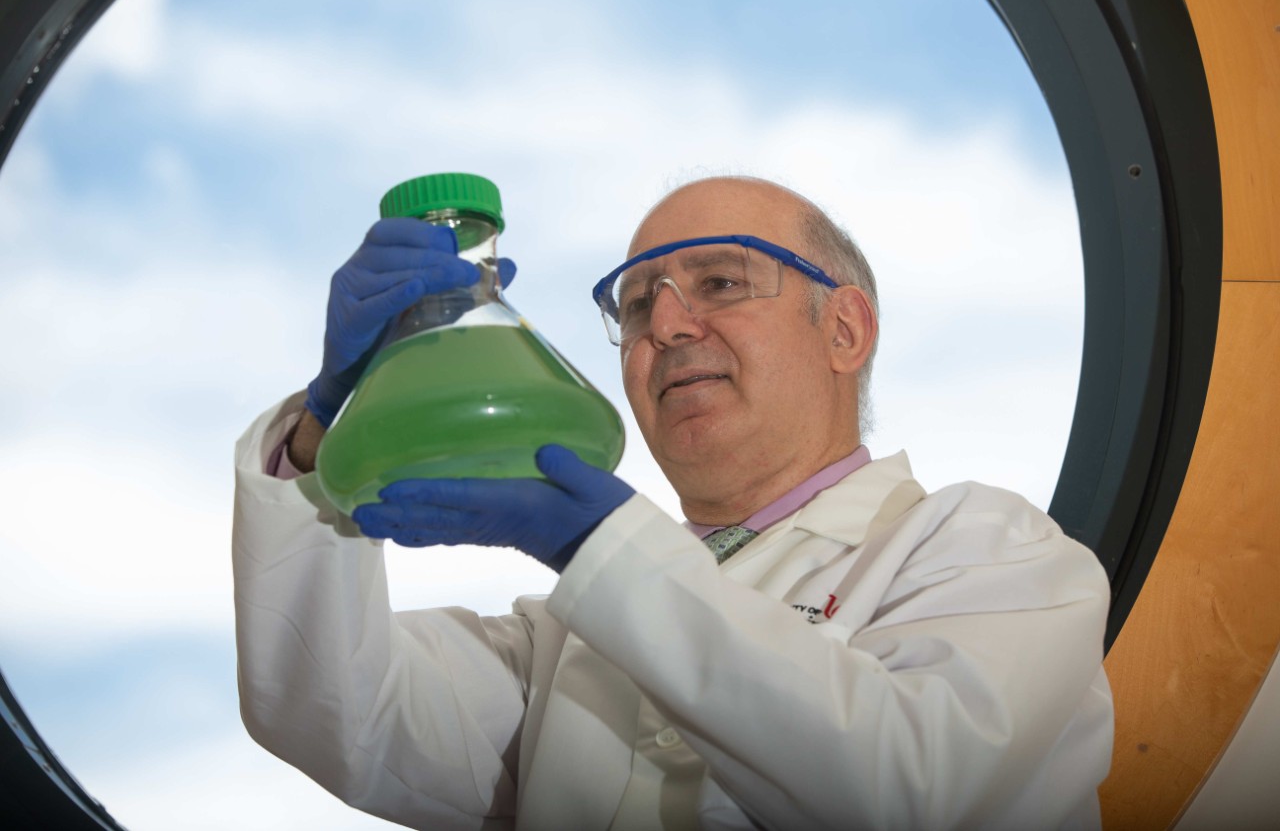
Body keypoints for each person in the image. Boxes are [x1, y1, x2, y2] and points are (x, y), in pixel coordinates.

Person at [233, 176, 1114, 830]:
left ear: (844, 328)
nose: (666, 324)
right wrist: (325, 422)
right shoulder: (563, 642)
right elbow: (334, 711)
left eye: (721, 283)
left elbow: (913, 793)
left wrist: (599, 546)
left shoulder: (998, 554)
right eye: (638, 303)